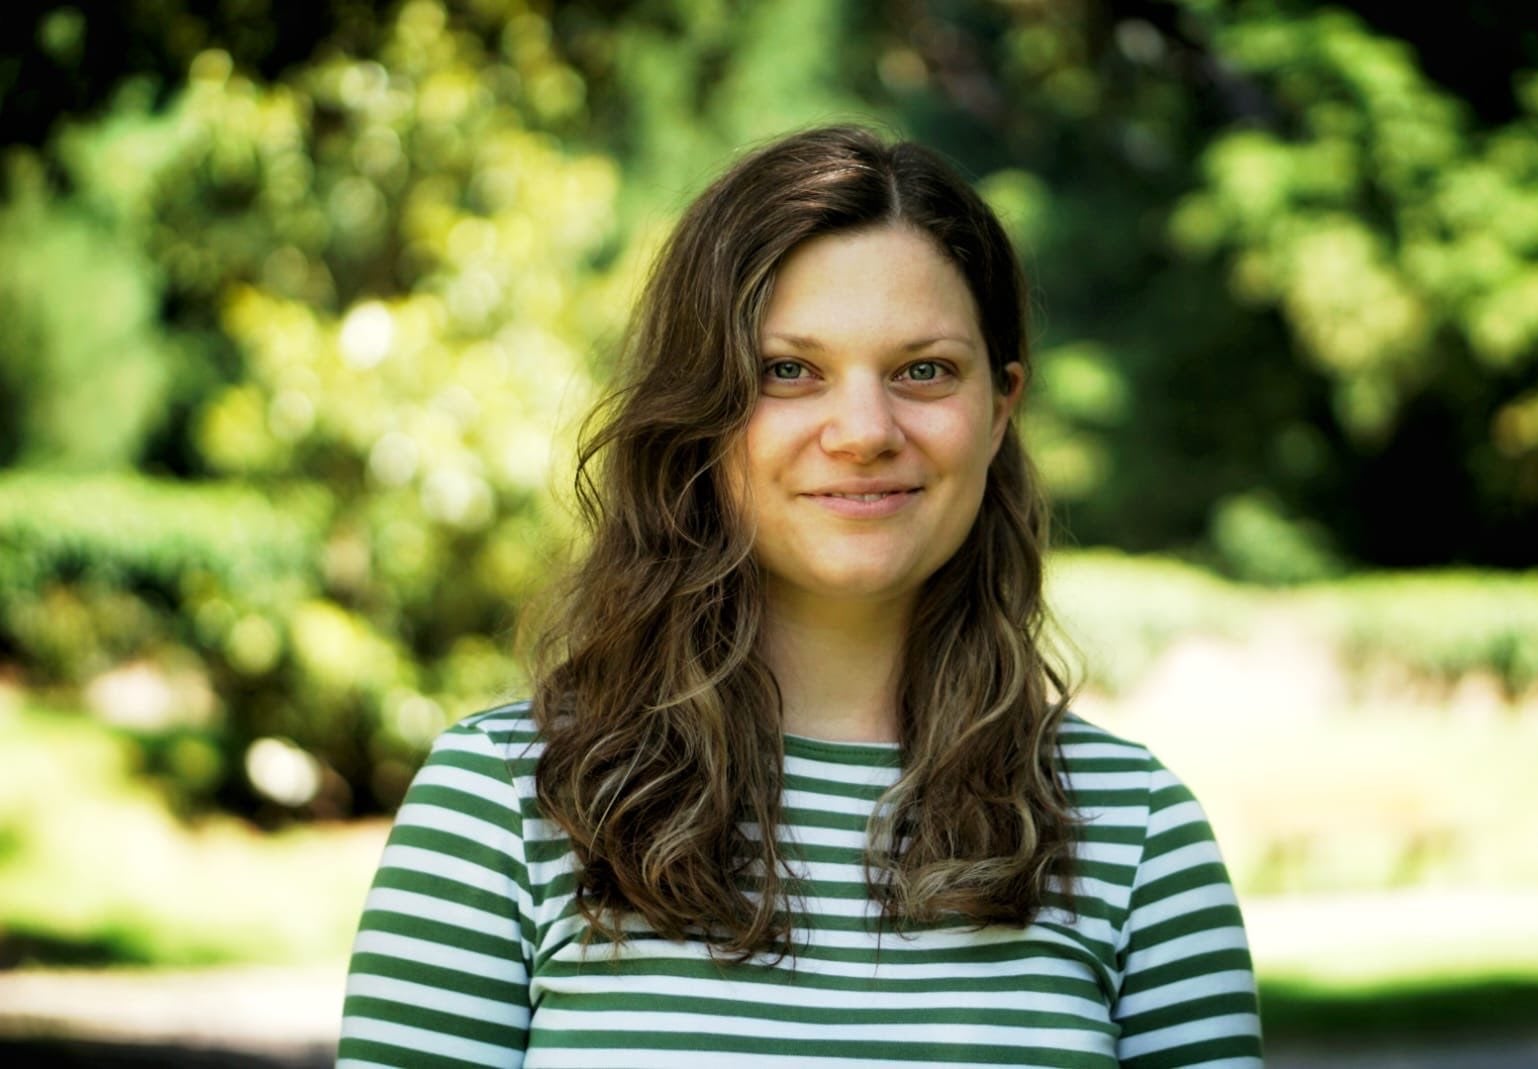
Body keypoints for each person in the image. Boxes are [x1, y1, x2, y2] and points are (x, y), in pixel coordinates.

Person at [337, 125, 1263, 1068]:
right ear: (698, 412)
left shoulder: (1139, 834)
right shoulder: (502, 802)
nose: (863, 430)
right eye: (789, 370)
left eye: (924, 370)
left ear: (1000, 409)